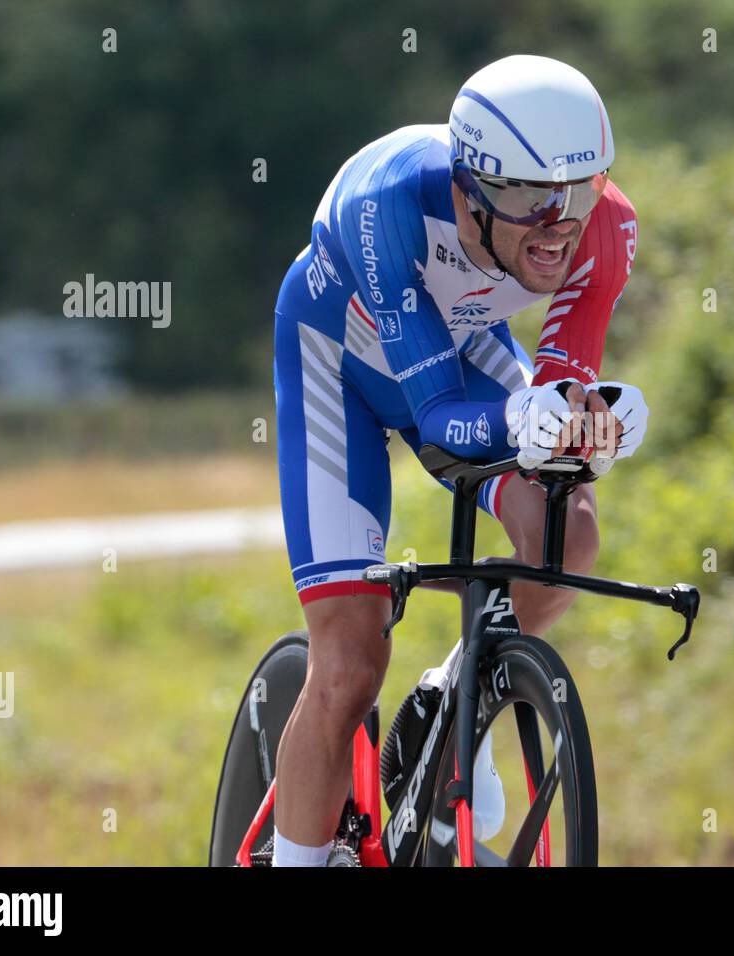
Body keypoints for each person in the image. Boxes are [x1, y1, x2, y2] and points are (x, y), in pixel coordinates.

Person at [269, 54, 648, 866]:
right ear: (469, 186)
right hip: (337, 352)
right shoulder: (390, 207)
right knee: (349, 660)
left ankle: (456, 692)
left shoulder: (605, 227)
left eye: (575, 193)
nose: (554, 224)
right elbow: (440, 419)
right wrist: (528, 420)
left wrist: (589, 421)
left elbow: (559, 388)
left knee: (566, 538)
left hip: (462, 346)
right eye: (521, 196)